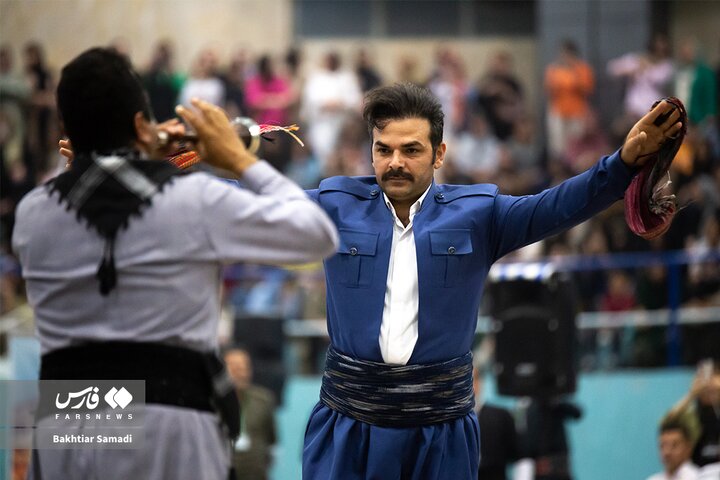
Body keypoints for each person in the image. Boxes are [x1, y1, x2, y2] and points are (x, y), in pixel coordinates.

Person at [301, 82, 682, 479]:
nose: (395, 162)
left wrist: (621, 165)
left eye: (411, 150)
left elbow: (555, 207)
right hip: (347, 429)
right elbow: (264, 209)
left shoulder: (478, 215)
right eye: (384, 150)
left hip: (441, 435)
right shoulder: (334, 206)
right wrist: (249, 157)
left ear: (439, 154)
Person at [12, 47, 338, 480]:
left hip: (68, 413)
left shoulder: (32, 212)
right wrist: (237, 158)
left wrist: (109, 163)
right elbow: (317, 234)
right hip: (167, 413)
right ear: (140, 126)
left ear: (65, 130)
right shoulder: (194, 199)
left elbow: (98, 188)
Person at [224, 347, 278, 480]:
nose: (241, 373)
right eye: (235, 368)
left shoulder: (264, 400)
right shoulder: (213, 402)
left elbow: (272, 440)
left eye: (244, 367)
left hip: (255, 473)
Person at [666, 359, 720, 467]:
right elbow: (667, 423)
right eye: (701, 377)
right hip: (697, 471)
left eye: (713, 376)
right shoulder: (691, 415)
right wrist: (691, 394)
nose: (708, 384)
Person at [473, 367, 518, 480]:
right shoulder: (453, 421)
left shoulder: (501, 416)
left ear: (479, 382)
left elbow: (514, 452)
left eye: (472, 379)